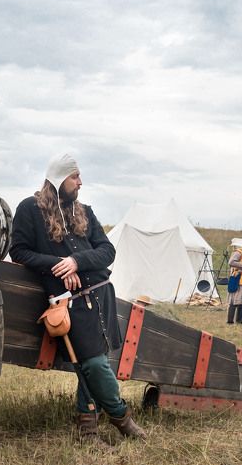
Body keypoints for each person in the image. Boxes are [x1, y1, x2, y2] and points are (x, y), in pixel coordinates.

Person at [9, 153, 146, 447]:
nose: (80, 183)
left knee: (91, 364)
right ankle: (122, 417)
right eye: (75, 177)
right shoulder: (30, 209)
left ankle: (88, 430)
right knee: (95, 364)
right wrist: (58, 266)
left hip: (100, 294)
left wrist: (76, 261)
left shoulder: (85, 211)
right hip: (69, 302)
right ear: (59, 179)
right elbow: (18, 252)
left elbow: (107, 252)